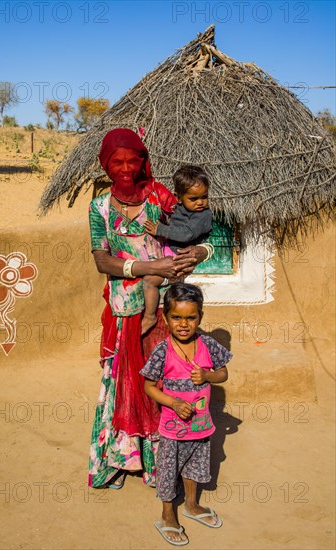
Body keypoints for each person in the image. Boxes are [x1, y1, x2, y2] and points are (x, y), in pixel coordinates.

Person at [88, 128, 212, 489]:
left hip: (166, 310)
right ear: (106, 166)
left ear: (143, 162)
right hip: (125, 310)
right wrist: (148, 268)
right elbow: (102, 260)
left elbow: (203, 234)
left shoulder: (159, 196)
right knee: (125, 383)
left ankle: (160, 464)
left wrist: (200, 253)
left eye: (132, 160)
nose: (125, 168)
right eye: (117, 162)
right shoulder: (99, 208)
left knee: (164, 382)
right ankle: (122, 460)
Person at [140, 283, 232, 546]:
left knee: (196, 467)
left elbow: (223, 374)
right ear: (166, 319)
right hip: (172, 429)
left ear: (200, 317)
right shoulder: (162, 351)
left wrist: (208, 375)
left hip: (201, 426)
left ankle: (191, 505)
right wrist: (173, 402)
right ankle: (168, 514)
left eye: (190, 318)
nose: (184, 324)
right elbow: (147, 386)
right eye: (177, 318)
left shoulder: (208, 344)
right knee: (169, 470)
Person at [141, 165, 213, 335]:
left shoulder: (203, 215)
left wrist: (160, 230)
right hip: (170, 253)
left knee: (150, 280)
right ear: (179, 198)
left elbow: (186, 234)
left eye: (204, 197)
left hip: (178, 258)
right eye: (194, 198)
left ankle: (150, 316)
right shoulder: (180, 209)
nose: (200, 202)